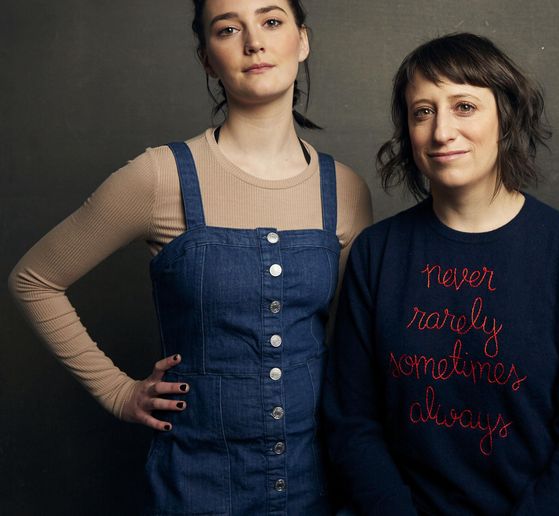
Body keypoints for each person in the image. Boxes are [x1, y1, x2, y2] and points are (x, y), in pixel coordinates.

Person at [7, 0, 372, 513]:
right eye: (228, 29)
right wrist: (116, 391)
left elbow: (353, 348)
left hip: (316, 486)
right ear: (206, 58)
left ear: (302, 39)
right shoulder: (159, 177)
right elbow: (35, 280)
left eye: (271, 21)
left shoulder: (347, 190)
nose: (254, 42)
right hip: (196, 488)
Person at [322, 33, 559, 516]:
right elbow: (351, 422)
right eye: (423, 111)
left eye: (464, 106)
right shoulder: (377, 254)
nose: (442, 131)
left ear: (505, 117)